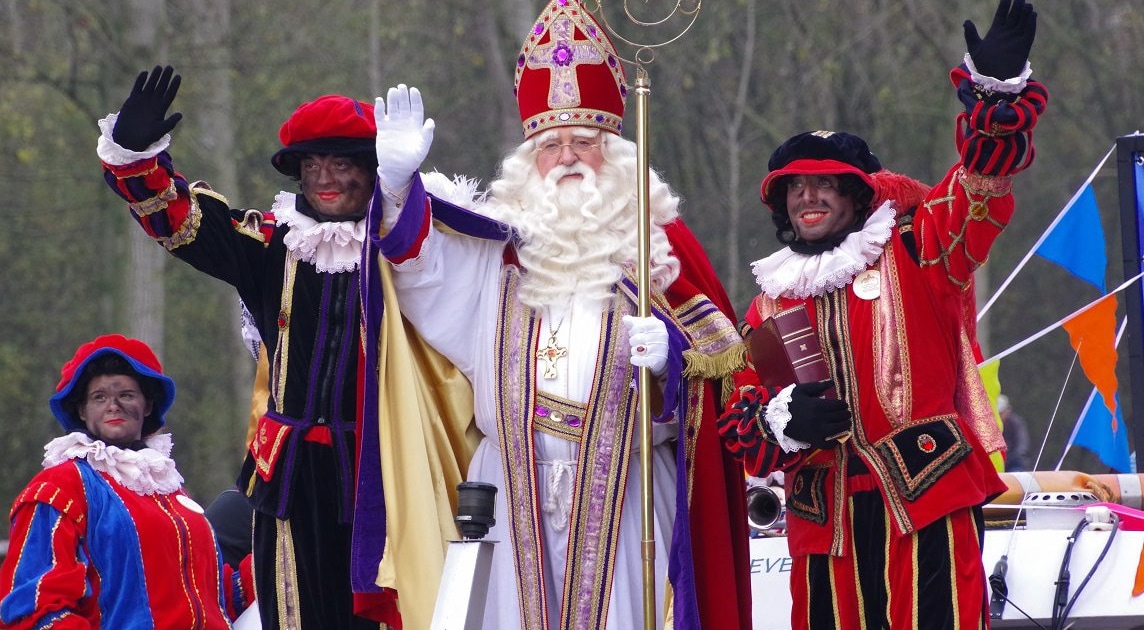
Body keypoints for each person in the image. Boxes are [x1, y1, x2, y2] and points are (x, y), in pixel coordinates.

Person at [364, 1, 753, 628]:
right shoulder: (499, 253)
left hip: (626, 498)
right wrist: (397, 189)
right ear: (529, 161)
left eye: (584, 142)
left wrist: (674, 365)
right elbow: (418, 270)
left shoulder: (659, 249)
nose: (568, 157)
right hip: (510, 492)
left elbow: (727, 378)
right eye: (551, 145)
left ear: (617, 153)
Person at [95, 68, 476, 629]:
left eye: (341, 164)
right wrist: (134, 157)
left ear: (372, 172)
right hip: (288, 476)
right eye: (311, 166)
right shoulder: (275, 244)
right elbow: (185, 221)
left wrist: (404, 192)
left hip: (382, 470)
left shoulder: (408, 247)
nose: (323, 178)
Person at [716, 1, 1049, 628]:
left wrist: (995, 95)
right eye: (795, 187)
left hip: (925, 503)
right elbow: (742, 425)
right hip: (824, 525)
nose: (809, 196)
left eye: (826, 184)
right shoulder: (768, 299)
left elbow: (977, 192)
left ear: (859, 193)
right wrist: (781, 421)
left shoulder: (916, 249)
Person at [0, 334, 254, 629]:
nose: (113, 406)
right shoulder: (61, 486)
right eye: (99, 397)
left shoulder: (168, 490)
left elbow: (211, 599)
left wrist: (278, 560)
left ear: (147, 405)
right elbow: (33, 608)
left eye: (127, 395)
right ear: (82, 410)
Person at [997, 394, 1032, 471]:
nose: (999, 415)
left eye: (1001, 413)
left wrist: (1010, 458)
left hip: (1014, 463)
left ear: (1007, 410)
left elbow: (1022, 445)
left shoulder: (1016, 423)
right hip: (998, 462)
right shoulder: (992, 425)